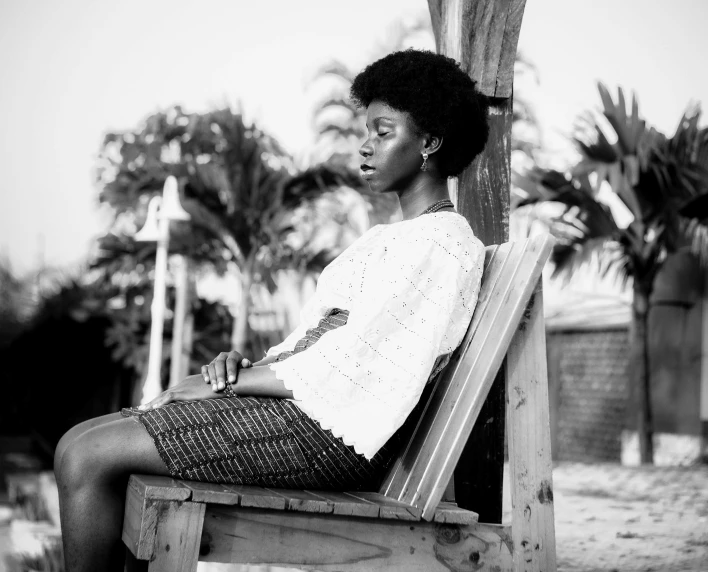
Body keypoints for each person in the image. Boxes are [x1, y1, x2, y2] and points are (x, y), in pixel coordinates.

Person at [54, 49, 489, 571]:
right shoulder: (392, 238)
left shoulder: (441, 244)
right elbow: (317, 344)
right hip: (305, 411)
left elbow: (357, 367)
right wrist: (241, 368)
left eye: (383, 131)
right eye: (366, 130)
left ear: (430, 143)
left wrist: (232, 385)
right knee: (81, 443)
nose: (365, 145)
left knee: (85, 455)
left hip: (330, 435)